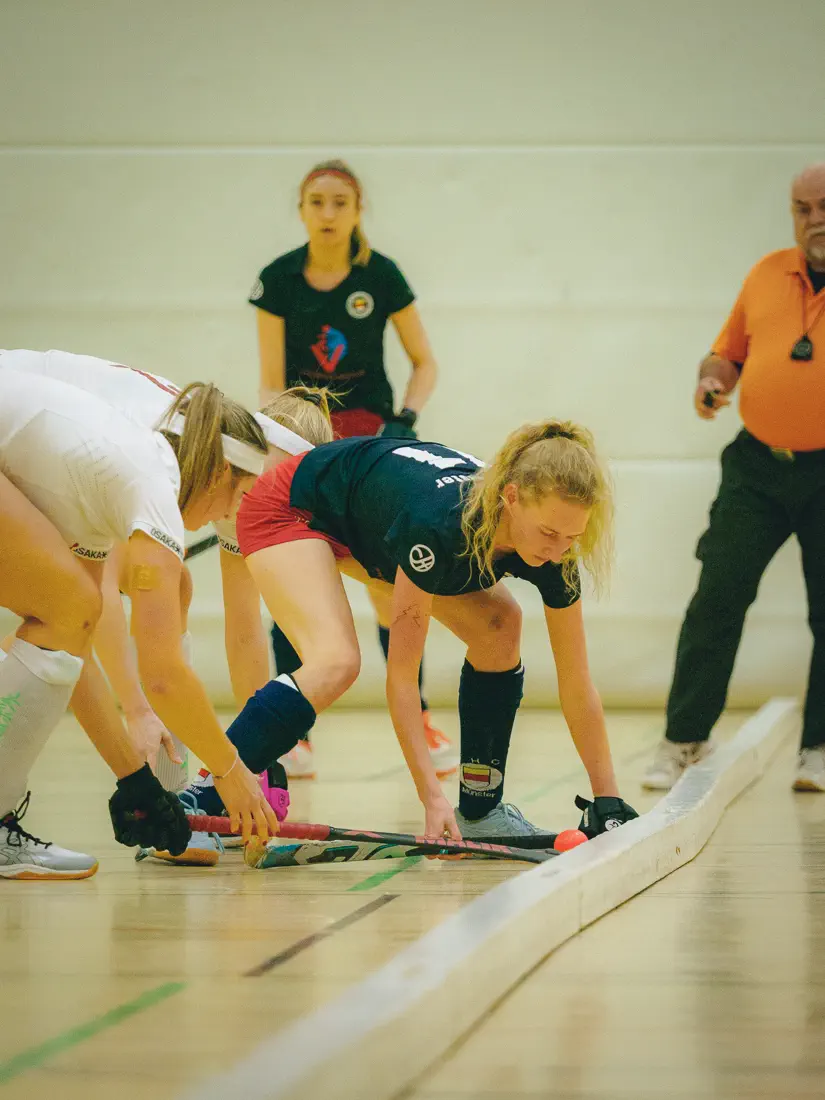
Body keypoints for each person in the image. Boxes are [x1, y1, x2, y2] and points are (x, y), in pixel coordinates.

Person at [179, 423, 639, 848]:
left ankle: (481, 811)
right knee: (337, 660)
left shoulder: (554, 551)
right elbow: (401, 679)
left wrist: (608, 800)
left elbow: (576, 680)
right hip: (295, 507)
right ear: (512, 498)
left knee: (500, 627)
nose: (558, 549)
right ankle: (202, 797)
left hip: (371, 523)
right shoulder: (440, 527)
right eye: (548, 532)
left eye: (571, 538)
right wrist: (432, 799)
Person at [0, 349, 322, 798]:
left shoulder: (229, 468)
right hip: (19, 415)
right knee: (68, 610)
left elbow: (245, 631)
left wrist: (258, 757)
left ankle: (172, 789)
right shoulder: (153, 460)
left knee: (158, 592)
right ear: (257, 463)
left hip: (27, 431)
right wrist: (138, 712)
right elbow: (103, 604)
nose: (260, 508)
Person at [250, 158, 455, 779]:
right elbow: (269, 380)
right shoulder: (276, 279)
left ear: (358, 209)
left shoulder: (381, 276)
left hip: (374, 445)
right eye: (318, 202)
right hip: (309, 445)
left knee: (392, 584)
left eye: (341, 202)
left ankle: (416, 715)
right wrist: (287, 440)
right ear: (302, 209)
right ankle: (296, 734)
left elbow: (425, 362)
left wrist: (406, 422)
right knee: (299, 577)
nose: (329, 213)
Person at [643, 163, 825, 793]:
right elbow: (729, 350)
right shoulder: (768, 272)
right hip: (756, 468)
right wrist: (712, 379)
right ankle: (684, 738)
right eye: (802, 208)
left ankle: (819, 748)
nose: (815, 218)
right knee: (717, 598)